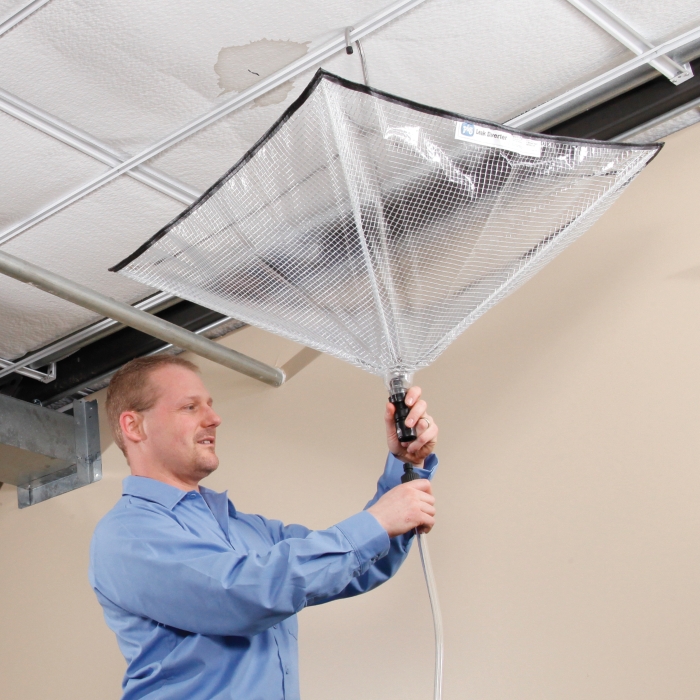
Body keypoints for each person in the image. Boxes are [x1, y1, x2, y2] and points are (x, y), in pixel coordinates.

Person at [90, 354, 438, 700]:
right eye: (190, 407)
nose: (214, 418)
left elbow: (354, 565)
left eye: (210, 405)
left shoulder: (245, 529)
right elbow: (243, 594)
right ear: (134, 426)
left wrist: (405, 465)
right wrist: (377, 520)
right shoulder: (128, 534)